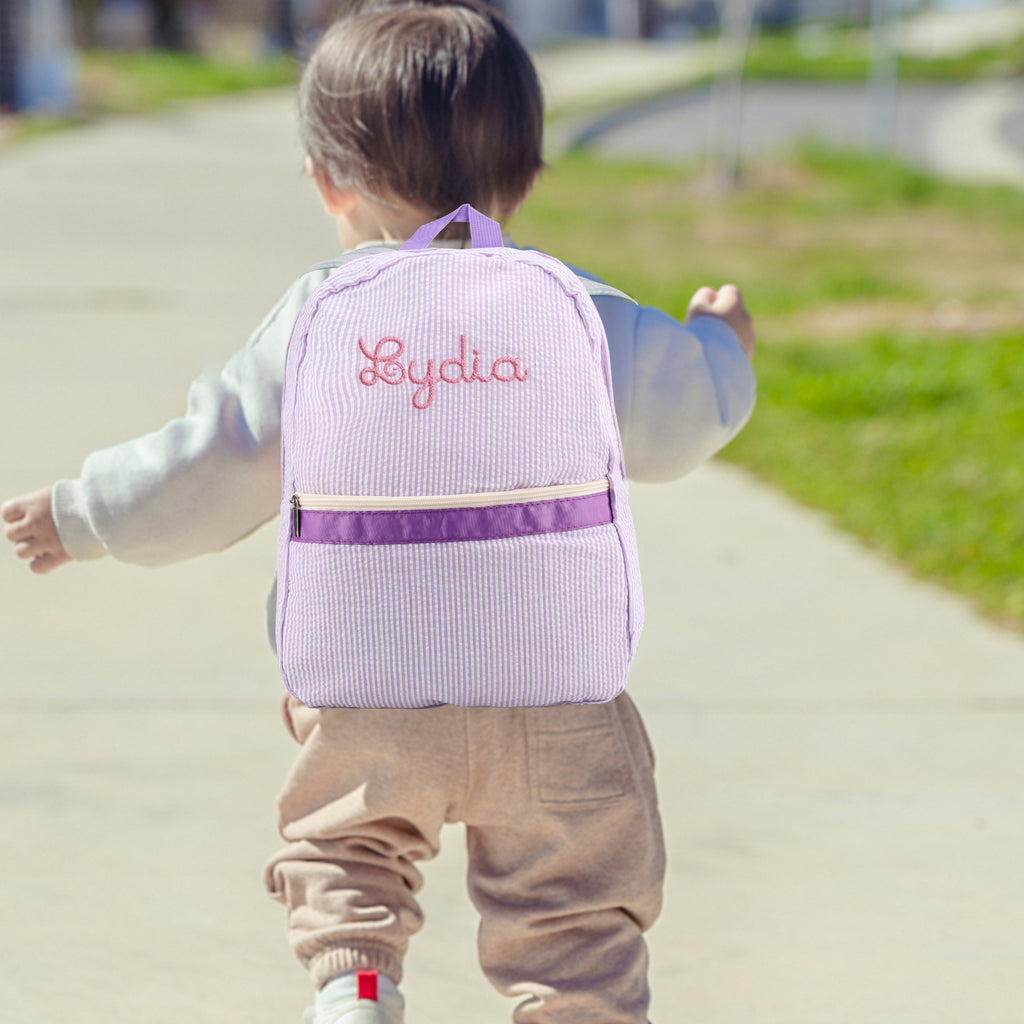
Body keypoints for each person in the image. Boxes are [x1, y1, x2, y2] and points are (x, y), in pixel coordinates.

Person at [1, 2, 756, 1022]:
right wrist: (720, 347)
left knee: (348, 846)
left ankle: (358, 988)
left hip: (369, 681)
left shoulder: (316, 319)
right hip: (554, 685)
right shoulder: (578, 311)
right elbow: (683, 422)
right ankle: (575, 1004)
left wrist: (81, 515)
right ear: (529, 176)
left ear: (326, 183)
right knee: (576, 890)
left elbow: (209, 467)